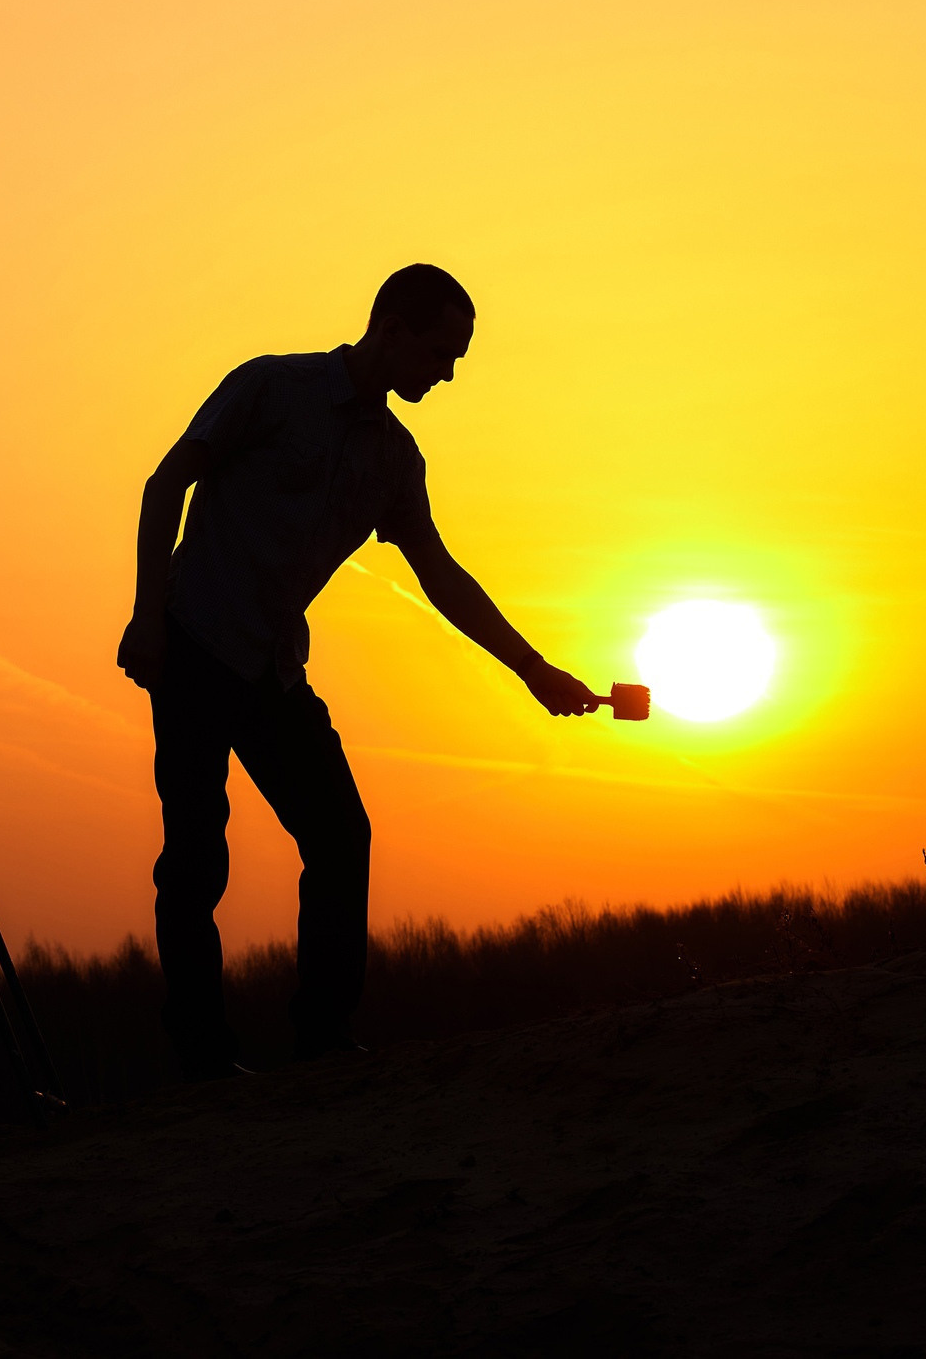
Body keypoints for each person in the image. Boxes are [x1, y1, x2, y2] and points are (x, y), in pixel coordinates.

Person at [116, 264, 598, 1077]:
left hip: (273, 669)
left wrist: (533, 669)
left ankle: (323, 1044)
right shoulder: (270, 389)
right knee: (197, 857)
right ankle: (201, 1058)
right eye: (439, 353)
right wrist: (145, 615)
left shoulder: (394, 460)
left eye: (457, 360)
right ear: (392, 327)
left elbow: (441, 576)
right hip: (195, 646)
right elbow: (168, 484)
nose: (445, 374)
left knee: (340, 835)